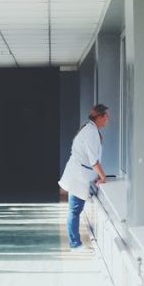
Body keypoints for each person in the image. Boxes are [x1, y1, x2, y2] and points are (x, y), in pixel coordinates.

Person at [59, 104, 110, 251]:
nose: (108, 119)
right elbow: (93, 161)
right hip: (77, 176)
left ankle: (75, 242)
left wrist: (98, 175)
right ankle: (75, 244)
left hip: (79, 174)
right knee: (74, 210)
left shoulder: (91, 129)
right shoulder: (91, 133)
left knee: (74, 209)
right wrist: (103, 177)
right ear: (99, 117)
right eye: (106, 116)